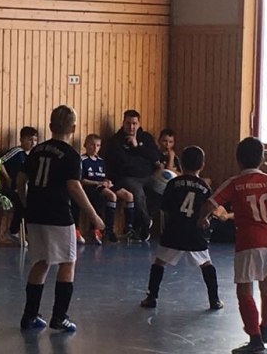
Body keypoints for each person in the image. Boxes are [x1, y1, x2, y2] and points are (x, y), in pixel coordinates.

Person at [199, 137, 267, 354]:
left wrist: (202, 219)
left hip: (248, 241)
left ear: (238, 160)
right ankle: (265, 328)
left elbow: (209, 204)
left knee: (244, 289)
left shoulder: (235, 183)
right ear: (262, 159)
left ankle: (254, 339)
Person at [17, 105, 103, 333]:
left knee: (41, 261)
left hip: (35, 213)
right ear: (73, 129)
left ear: (50, 126)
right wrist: (93, 215)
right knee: (67, 262)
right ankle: (60, 317)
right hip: (58, 213)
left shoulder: (36, 150)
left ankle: (29, 315)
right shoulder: (72, 155)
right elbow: (74, 186)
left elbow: (21, 179)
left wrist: (25, 201)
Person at [140, 145, 223, 310]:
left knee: (159, 262)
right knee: (206, 264)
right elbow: (209, 207)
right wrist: (205, 220)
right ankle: (214, 300)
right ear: (202, 166)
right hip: (195, 232)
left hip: (174, 230)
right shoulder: (205, 187)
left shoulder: (173, 183)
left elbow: (165, 208)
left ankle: (151, 297)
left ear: (182, 164)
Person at [102, 109, 163, 241]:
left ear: (139, 124)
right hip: (128, 178)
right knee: (138, 194)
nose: (131, 127)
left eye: (134, 123)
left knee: (163, 189)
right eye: (128, 123)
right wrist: (141, 160)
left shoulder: (146, 138)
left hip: (149, 176)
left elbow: (155, 156)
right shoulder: (115, 141)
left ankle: (143, 224)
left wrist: (137, 147)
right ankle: (146, 222)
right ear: (123, 123)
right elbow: (123, 164)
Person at [80, 133, 135, 244]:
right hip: (92, 186)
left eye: (98, 145)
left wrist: (107, 181)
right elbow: (81, 180)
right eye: (92, 145)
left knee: (129, 195)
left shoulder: (100, 161)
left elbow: (104, 176)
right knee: (112, 196)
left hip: (103, 184)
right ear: (85, 145)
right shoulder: (82, 160)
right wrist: (98, 182)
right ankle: (109, 230)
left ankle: (129, 228)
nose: (95, 148)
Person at [0, 126, 38, 245]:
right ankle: (13, 231)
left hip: (27, 188)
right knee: (22, 202)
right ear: (22, 139)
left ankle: (30, 233)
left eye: (35, 140)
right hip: (12, 188)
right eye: (30, 139)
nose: (33, 143)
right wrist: (7, 178)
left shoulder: (33, 155)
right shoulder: (16, 152)